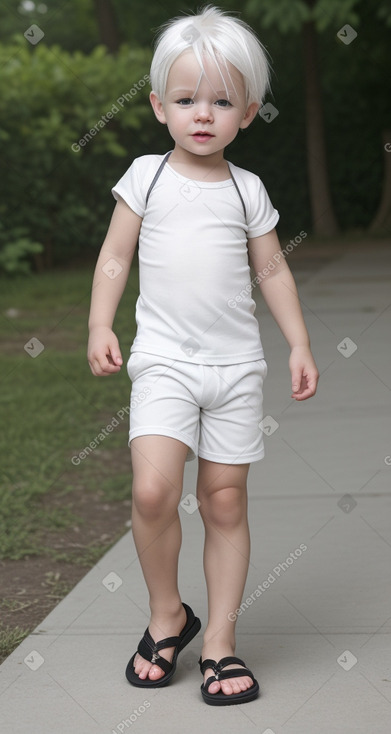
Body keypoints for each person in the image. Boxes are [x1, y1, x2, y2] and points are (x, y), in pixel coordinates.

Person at [87, 4, 319, 706]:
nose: (202, 114)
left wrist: (299, 343)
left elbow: (273, 271)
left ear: (247, 112)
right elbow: (114, 257)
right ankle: (167, 615)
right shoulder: (146, 178)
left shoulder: (248, 191)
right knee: (154, 491)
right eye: (186, 100)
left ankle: (218, 640)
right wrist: (100, 322)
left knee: (223, 502)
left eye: (221, 102)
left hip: (234, 370)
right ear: (159, 106)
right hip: (163, 362)